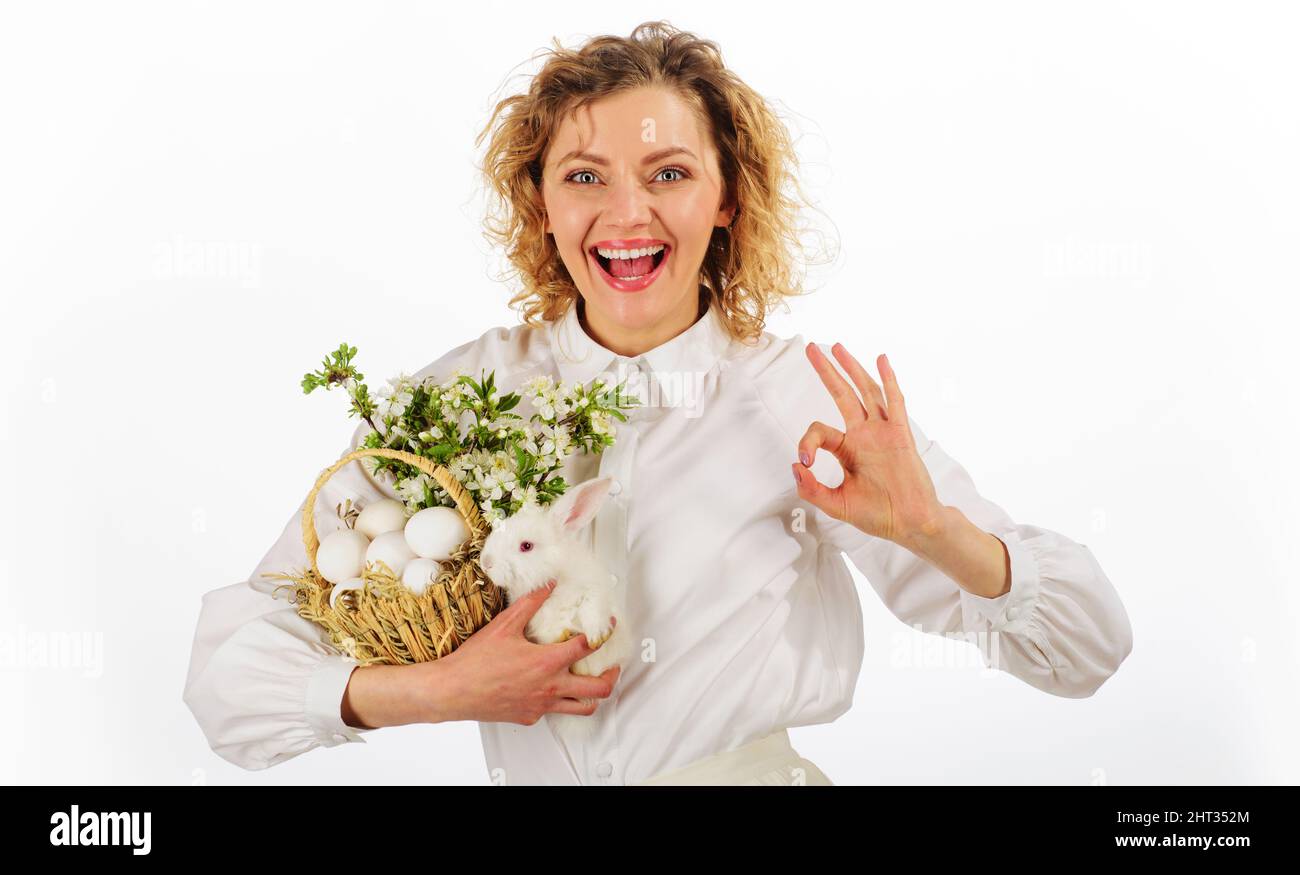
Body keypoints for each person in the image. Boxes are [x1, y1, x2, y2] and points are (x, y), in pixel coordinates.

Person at [182, 21, 1133, 785]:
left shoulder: (797, 397)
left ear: (727, 198)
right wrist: (436, 690)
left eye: (669, 173)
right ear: (540, 203)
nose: (627, 214)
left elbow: (1089, 649)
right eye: (584, 176)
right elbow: (229, 679)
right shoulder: (451, 404)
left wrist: (933, 530)